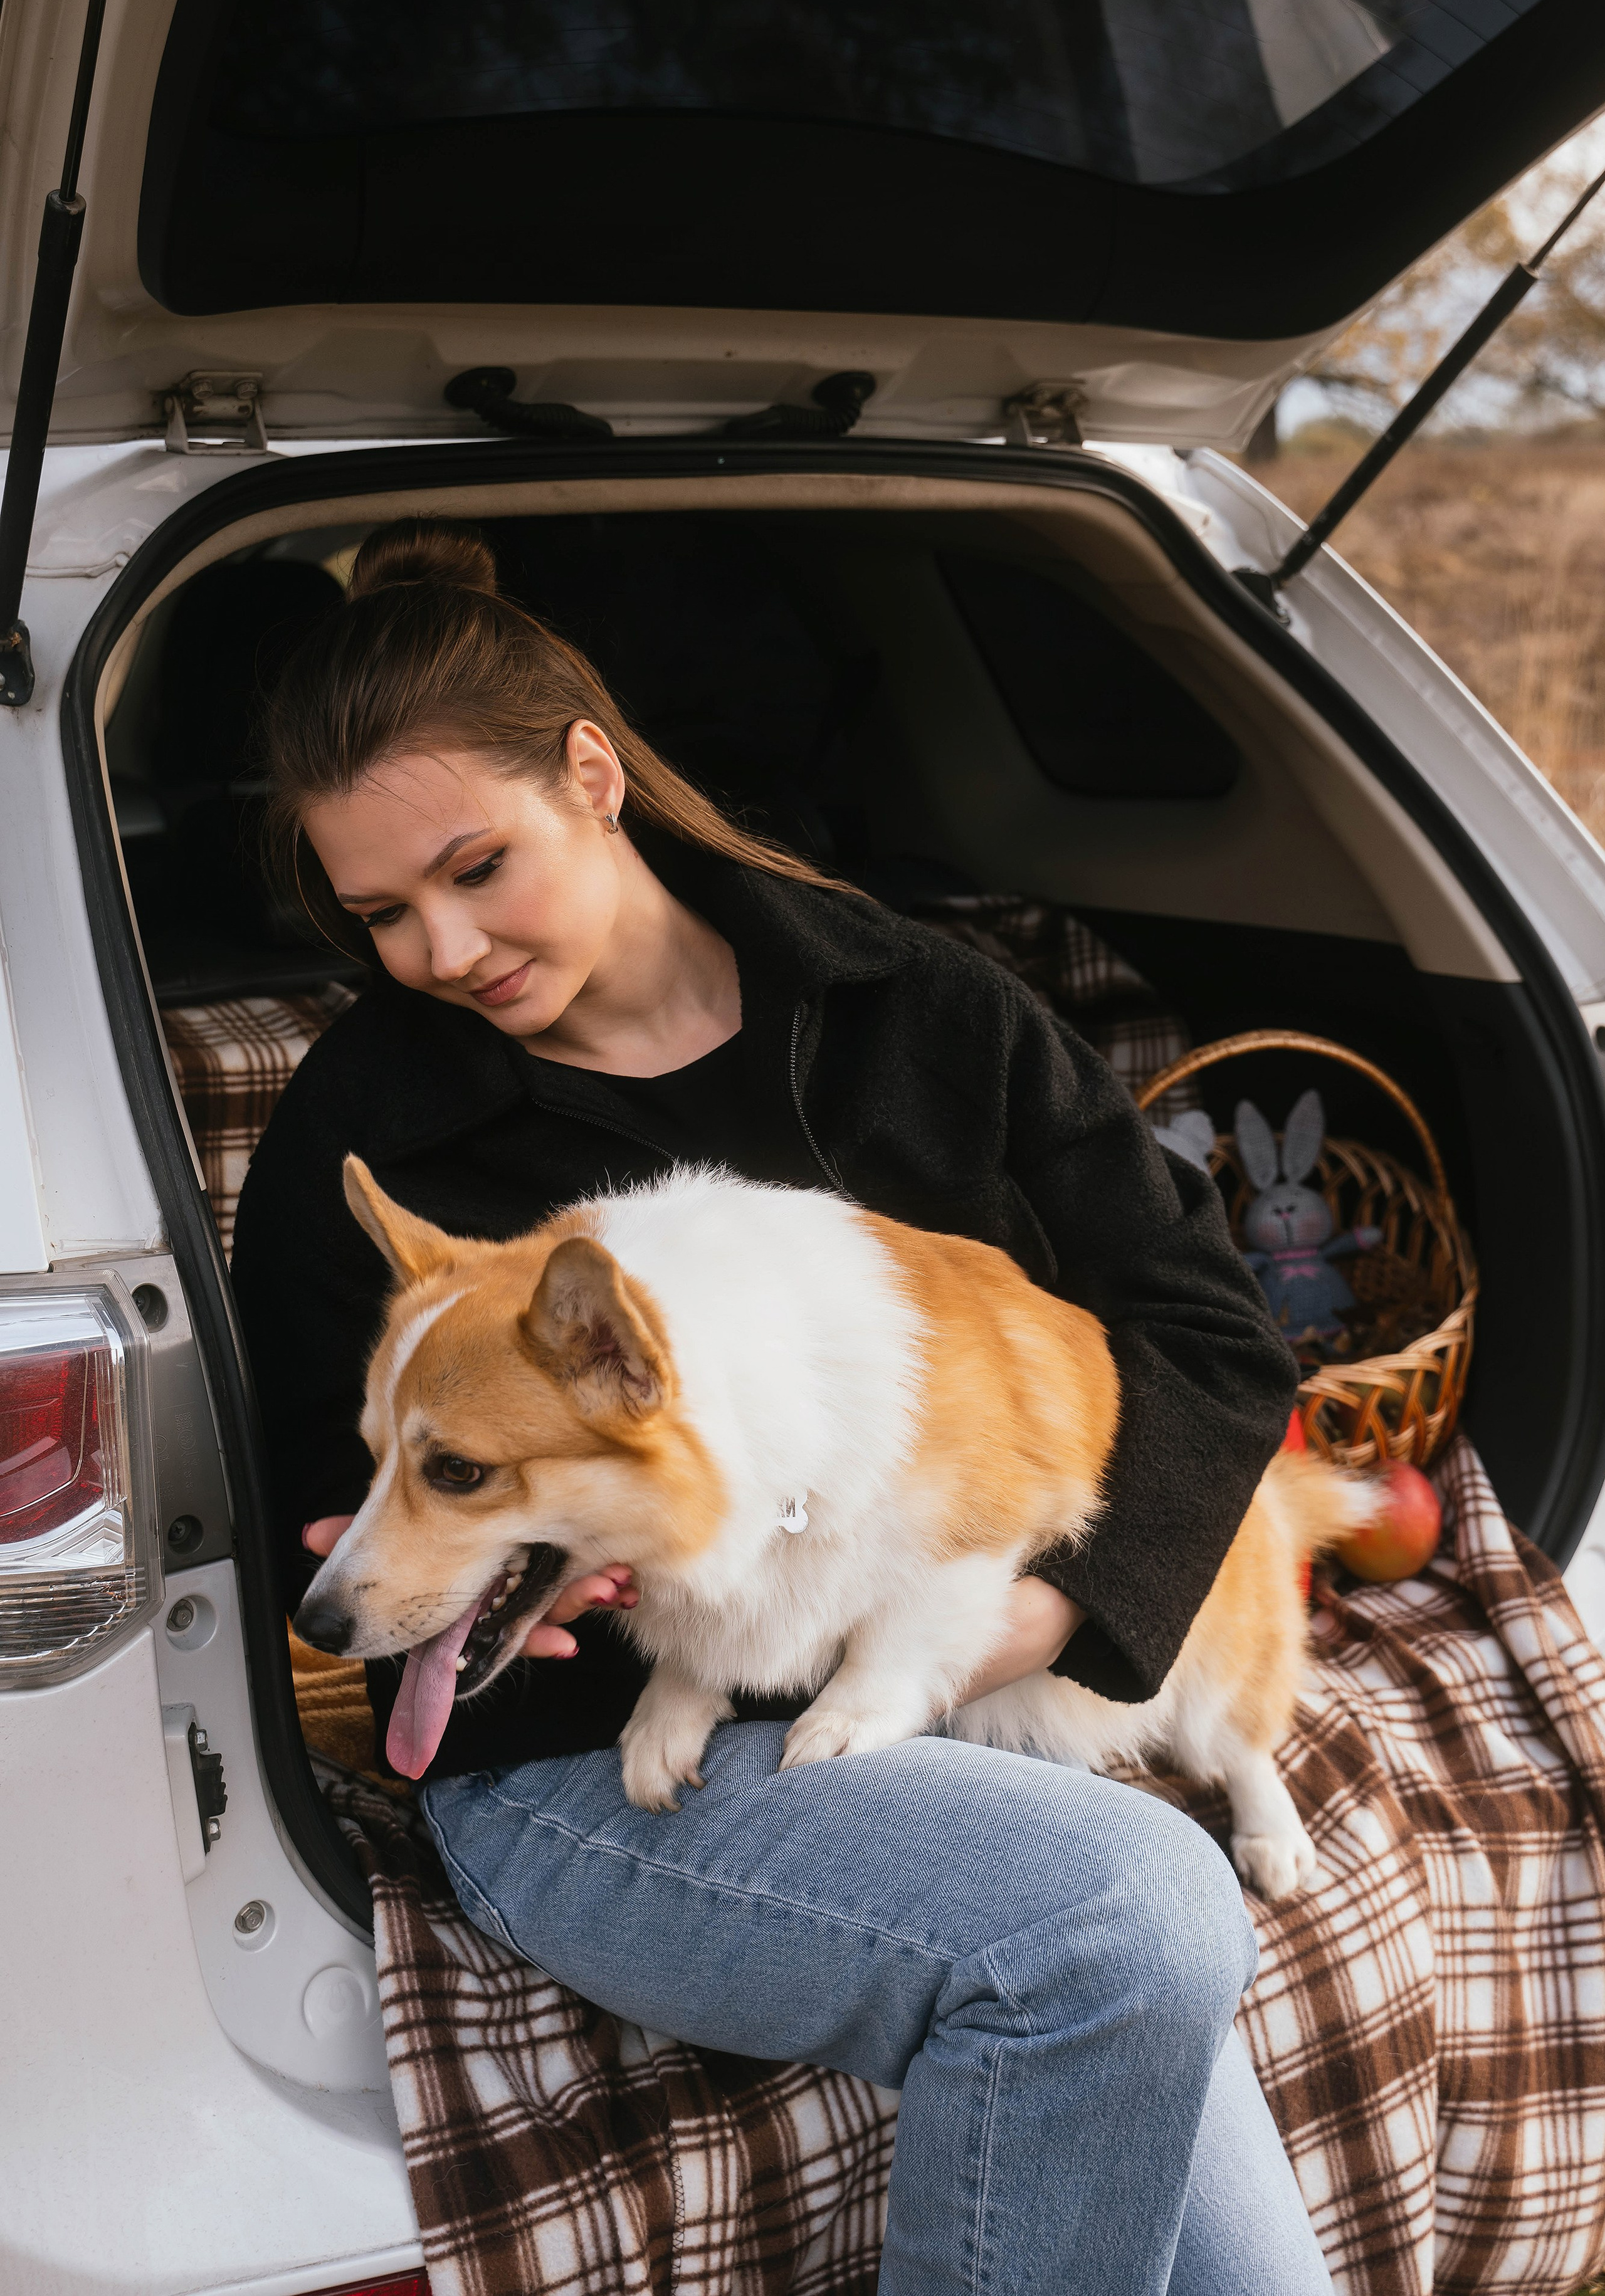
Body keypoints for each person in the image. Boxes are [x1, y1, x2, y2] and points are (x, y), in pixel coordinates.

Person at [232, 518, 1330, 2293]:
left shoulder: (916, 1006)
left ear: (593, 777)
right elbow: (361, 1560)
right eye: (379, 914)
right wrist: (543, 1592)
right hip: (583, 1766)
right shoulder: (369, 1141)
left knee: (1137, 1963)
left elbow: (1209, 1337)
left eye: (476, 868)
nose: (439, 947)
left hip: (947, 1645)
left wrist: (1047, 1616)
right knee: (1127, 1913)